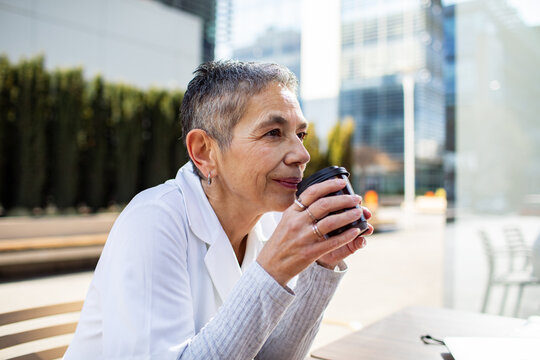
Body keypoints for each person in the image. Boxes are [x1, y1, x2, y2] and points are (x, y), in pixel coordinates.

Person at [64, 60, 373, 360]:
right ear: (204, 151)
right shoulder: (152, 222)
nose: (302, 154)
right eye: (273, 133)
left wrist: (321, 267)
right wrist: (273, 268)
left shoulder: (271, 221)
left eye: (300, 134)